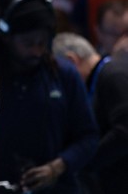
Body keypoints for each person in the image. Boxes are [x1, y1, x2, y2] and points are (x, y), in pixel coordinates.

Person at [0, 0, 98, 193]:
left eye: (42, 42)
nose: (37, 51)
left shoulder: (63, 74)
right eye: (28, 43)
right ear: (7, 38)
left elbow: (89, 136)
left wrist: (58, 167)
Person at [52, 32, 128, 194]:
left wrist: (83, 159)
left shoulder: (112, 74)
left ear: (72, 61)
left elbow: (124, 131)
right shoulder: (106, 73)